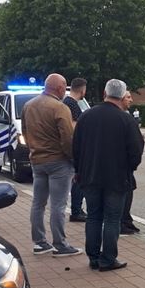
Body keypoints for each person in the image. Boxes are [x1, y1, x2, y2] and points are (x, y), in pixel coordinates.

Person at [73, 79, 143, 271]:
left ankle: (93, 257)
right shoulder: (126, 119)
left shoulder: (86, 116)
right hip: (117, 177)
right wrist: (130, 167)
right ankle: (108, 258)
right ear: (122, 96)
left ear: (105, 93)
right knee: (112, 218)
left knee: (94, 216)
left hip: (90, 175)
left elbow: (76, 147)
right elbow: (136, 150)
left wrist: (79, 170)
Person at [22, 73, 82, 257]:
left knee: (38, 203)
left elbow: (25, 132)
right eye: (65, 87)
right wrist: (74, 160)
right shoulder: (60, 108)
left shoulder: (28, 106)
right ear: (59, 88)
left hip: (37, 160)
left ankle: (39, 242)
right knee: (58, 204)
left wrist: (33, 150)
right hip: (58, 162)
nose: (65, 91)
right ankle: (60, 244)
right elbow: (67, 138)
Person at [63, 77, 88, 223]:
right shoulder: (71, 104)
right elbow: (73, 127)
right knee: (79, 179)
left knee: (77, 179)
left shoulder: (66, 102)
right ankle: (76, 211)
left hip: (72, 147)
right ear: (82, 89)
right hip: (76, 147)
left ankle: (77, 209)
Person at [120, 91, 141, 235]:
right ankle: (122, 222)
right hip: (122, 164)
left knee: (129, 190)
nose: (131, 100)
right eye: (128, 97)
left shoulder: (127, 116)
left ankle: (126, 219)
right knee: (124, 193)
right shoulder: (121, 118)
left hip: (127, 165)